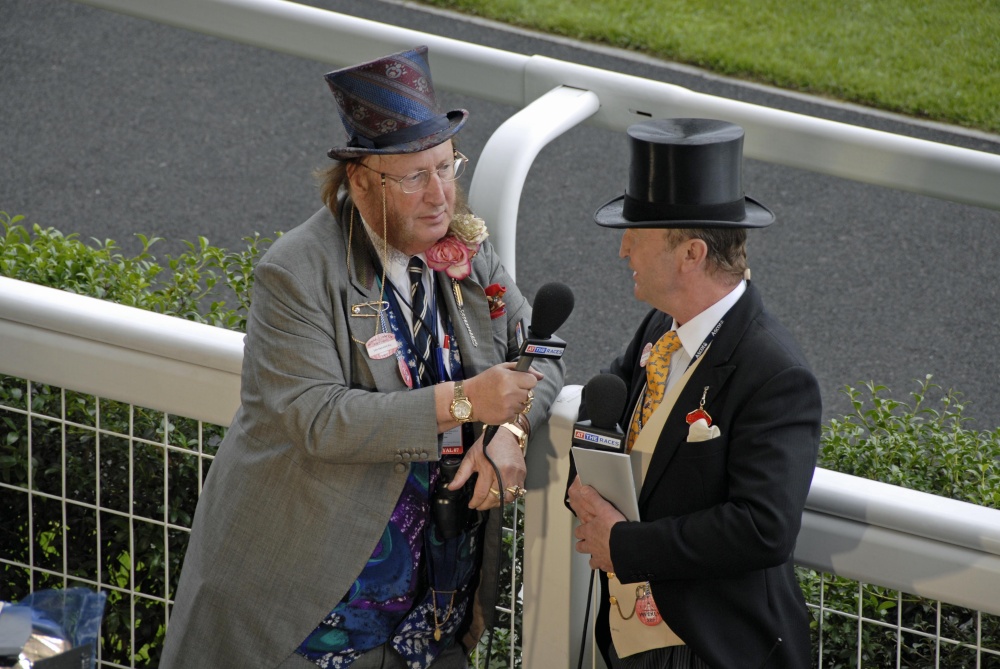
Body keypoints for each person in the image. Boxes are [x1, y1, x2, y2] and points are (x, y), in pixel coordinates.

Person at [160, 46, 564, 669]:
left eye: (446, 166)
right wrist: (464, 401)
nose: (439, 196)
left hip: (432, 615)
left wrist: (508, 430)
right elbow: (314, 417)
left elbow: (539, 351)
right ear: (358, 180)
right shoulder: (296, 271)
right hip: (315, 613)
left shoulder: (465, 249)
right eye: (413, 177)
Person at [567, 118, 821, 668]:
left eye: (638, 233)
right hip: (630, 643)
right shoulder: (659, 328)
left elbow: (764, 527)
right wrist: (583, 490)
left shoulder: (775, 373)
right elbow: (606, 417)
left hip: (708, 651)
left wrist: (628, 548)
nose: (623, 249)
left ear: (692, 253)